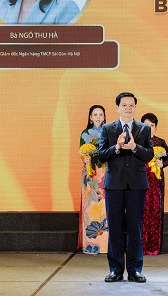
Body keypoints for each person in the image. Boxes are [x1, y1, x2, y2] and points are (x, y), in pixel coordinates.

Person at [98, 92, 154, 283]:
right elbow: (101, 155)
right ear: (117, 108)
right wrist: (117, 147)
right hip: (114, 185)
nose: (128, 108)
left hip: (137, 185)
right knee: (114, 228)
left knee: (134, 228)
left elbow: (149, 154)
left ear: (135, 108)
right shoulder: (107, 128)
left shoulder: (144, 129)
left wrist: (134, 148)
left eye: (131, 105)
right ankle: (115, 270)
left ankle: (135, 270)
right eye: (124, 105)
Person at [140, 113, 168, 255]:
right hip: (140, 180)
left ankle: (154, 246)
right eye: (146, 125)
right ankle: (139, 246)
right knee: (141, 211)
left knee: (155, 211)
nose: (149, 128)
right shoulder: (136, 142)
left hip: (156, 181)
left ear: (156, 127)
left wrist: (162, 163)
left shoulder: (160, 142)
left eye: (152, 125)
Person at [78, 105, 108, 254]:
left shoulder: (108, 132)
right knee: (89, 206)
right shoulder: (85, 134)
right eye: (95, 115)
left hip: (104, 172)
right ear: (90, 117)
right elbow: (81, 152)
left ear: (104, 117)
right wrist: (85, 159)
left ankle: (104, 245)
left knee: (104, 207)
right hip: (90, 173)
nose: (98, 117)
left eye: (100, 114)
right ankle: (90, 244)